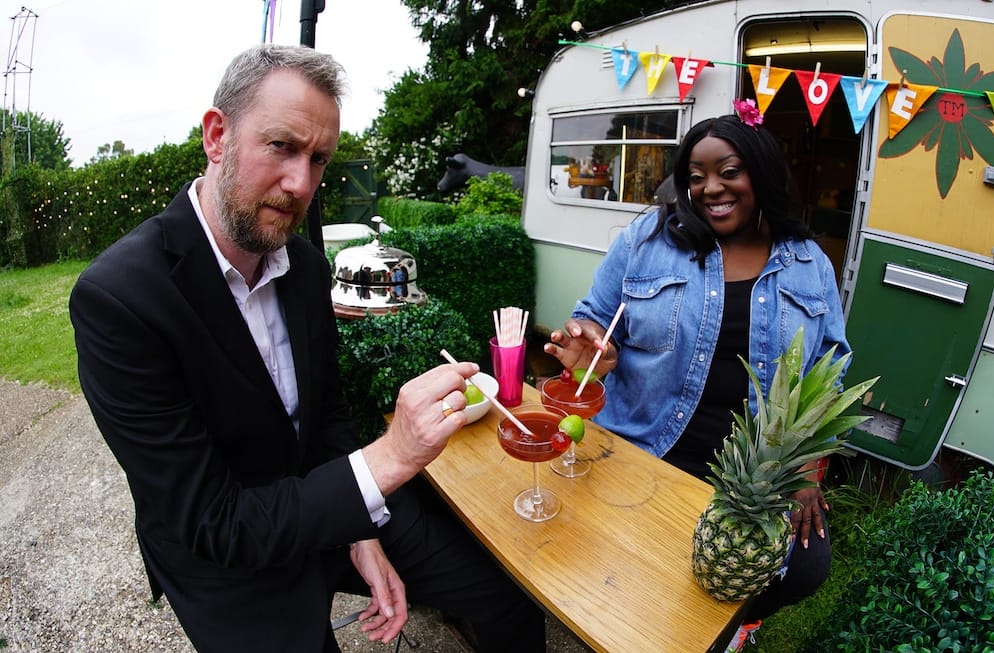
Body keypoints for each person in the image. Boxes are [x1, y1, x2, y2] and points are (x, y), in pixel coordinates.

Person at [69, 44, 545, 653]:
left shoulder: (305, 267)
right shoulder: (120, 299)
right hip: (228, 557)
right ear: (217, 136)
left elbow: (327, 415)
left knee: (503, 596)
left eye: (318, 158)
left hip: (327, 496)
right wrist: (391, 458)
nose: (301, 183)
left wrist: (361, 525)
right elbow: (214, 521)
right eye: (282, 147)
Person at [543, 112, 849, 649]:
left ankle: (733, 625)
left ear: (760, 173)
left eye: (728, 171)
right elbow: (594, 313)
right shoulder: (649, 238)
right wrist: (587, 342)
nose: (710, 188)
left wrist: (806, 471)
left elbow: (830, 371)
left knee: (806, 565)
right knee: (625, 571)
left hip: (752, 475)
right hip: (644, 444)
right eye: (696, 175)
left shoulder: (809, 264)